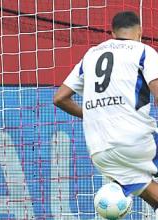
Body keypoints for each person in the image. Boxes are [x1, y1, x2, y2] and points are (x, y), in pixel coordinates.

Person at [53, 11, 158, 215]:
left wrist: (94, 114)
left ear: (112, 32)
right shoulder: (143, 51)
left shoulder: (91, 55)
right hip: (136, 141)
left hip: (100, 150)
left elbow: (59, 98)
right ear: (140, 32)